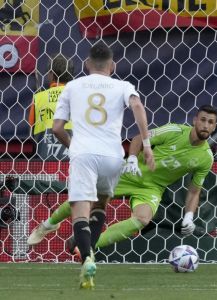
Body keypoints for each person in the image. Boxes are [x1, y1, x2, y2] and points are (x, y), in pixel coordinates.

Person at [28, 105, 217, 252]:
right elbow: (138, 139)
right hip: (129, 173)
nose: (206, 125)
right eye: (203, 120)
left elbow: (194, 190)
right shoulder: (174, 131)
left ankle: (90, 246)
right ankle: (47, 225)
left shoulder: (205, 157)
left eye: (211, 122)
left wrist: (189, 216)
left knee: (143, 219)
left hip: (152, 188)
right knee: (85, 198)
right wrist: (133, 158)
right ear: (195, 120)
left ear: (214, 126)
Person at [52, 42, 154, 289]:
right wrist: (147, 145)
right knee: (100, 205)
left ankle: (86, 258)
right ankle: (92, 253)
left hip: (84, 153)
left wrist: (72, 145)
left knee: (81, 209)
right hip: (112, 156)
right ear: (113, 65)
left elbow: (57, 128)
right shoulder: (122, 86)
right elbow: (138, 106)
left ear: (87, 64)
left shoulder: (72, 86)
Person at [28, 54, 74, 161]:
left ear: (51, 74)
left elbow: (31, 129)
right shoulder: (78, 97)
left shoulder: (38, 98)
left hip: (45, 162)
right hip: (74, 162)